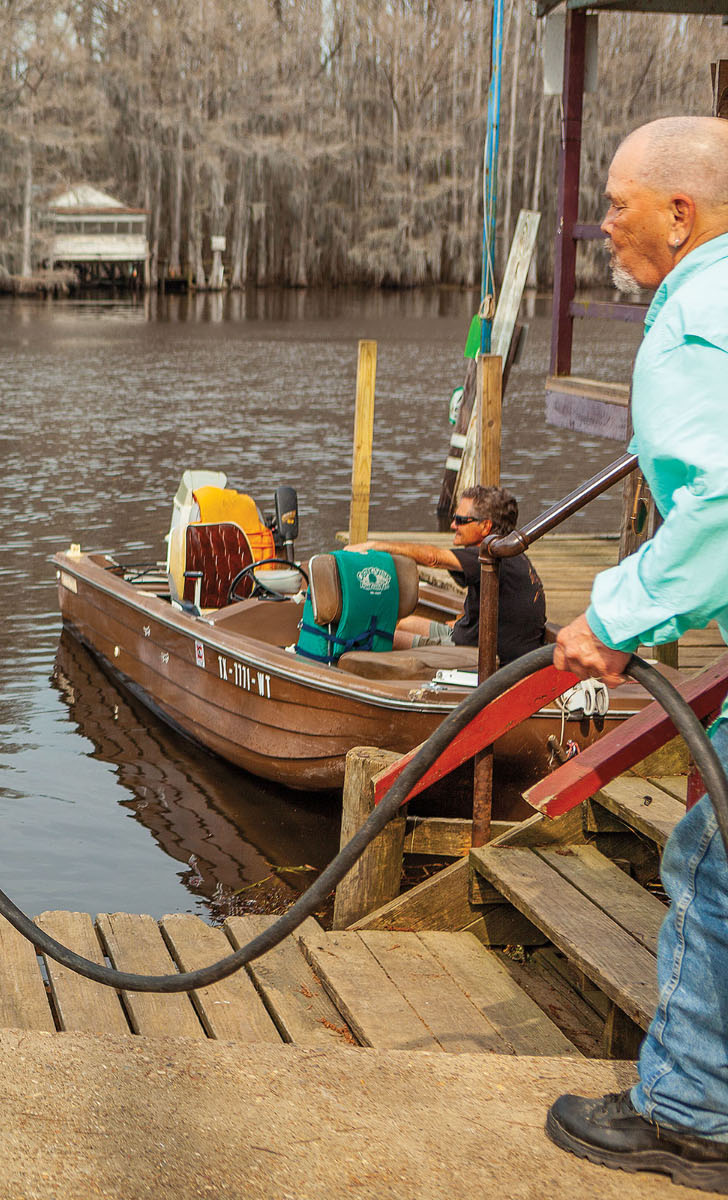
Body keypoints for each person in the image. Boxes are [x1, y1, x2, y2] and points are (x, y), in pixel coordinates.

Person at [541, 116, 728, 1192]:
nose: (600, 223)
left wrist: (615, 617)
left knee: (710, 864)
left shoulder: (697, 317)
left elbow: (721, 505)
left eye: (616, 202)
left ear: (679, 213)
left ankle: (691, 1113)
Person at [348, 485, 547, 664]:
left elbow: (432, 558)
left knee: (384, 637)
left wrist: (375, 546)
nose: (453, 525)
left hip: (480, 652)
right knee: (407, 622)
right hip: (472, 634)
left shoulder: (492, 555)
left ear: (485, 526)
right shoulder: (508, 550)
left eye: (461, 520)